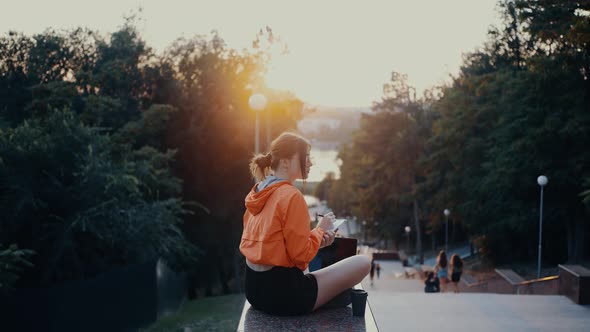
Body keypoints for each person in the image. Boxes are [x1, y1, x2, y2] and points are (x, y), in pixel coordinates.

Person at [240, 132, 371, 316]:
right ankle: (330, 298)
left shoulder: (259, 192)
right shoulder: (291, 195)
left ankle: (328, 296)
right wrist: (320, 229)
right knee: (363, 262)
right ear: (285, 162)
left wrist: (318, 239)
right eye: (306, 156)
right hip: (284, 297)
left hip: (254, 291)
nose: (310, 162)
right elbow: (301, 259)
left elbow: (281, 248)